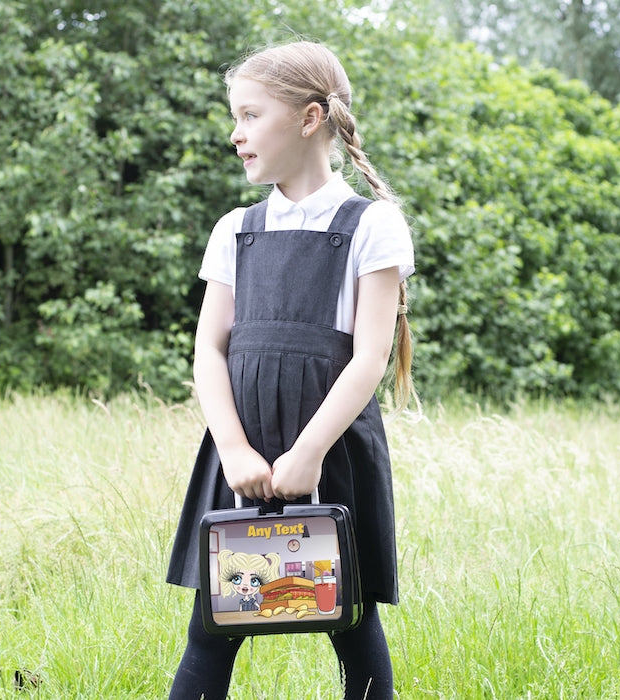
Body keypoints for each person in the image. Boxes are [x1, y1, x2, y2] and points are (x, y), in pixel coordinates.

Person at [166, 40, 416, 700]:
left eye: (250, 115)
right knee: (214, 623)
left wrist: (308, 454)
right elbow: (208, 350)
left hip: (330, 450)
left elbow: (370, 357)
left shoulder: (373, 226)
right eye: (236, 118)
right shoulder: (235, 229)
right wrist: (233, 449)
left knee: (351, 618)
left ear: (309, 119)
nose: (236, 134)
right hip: (242, 451)